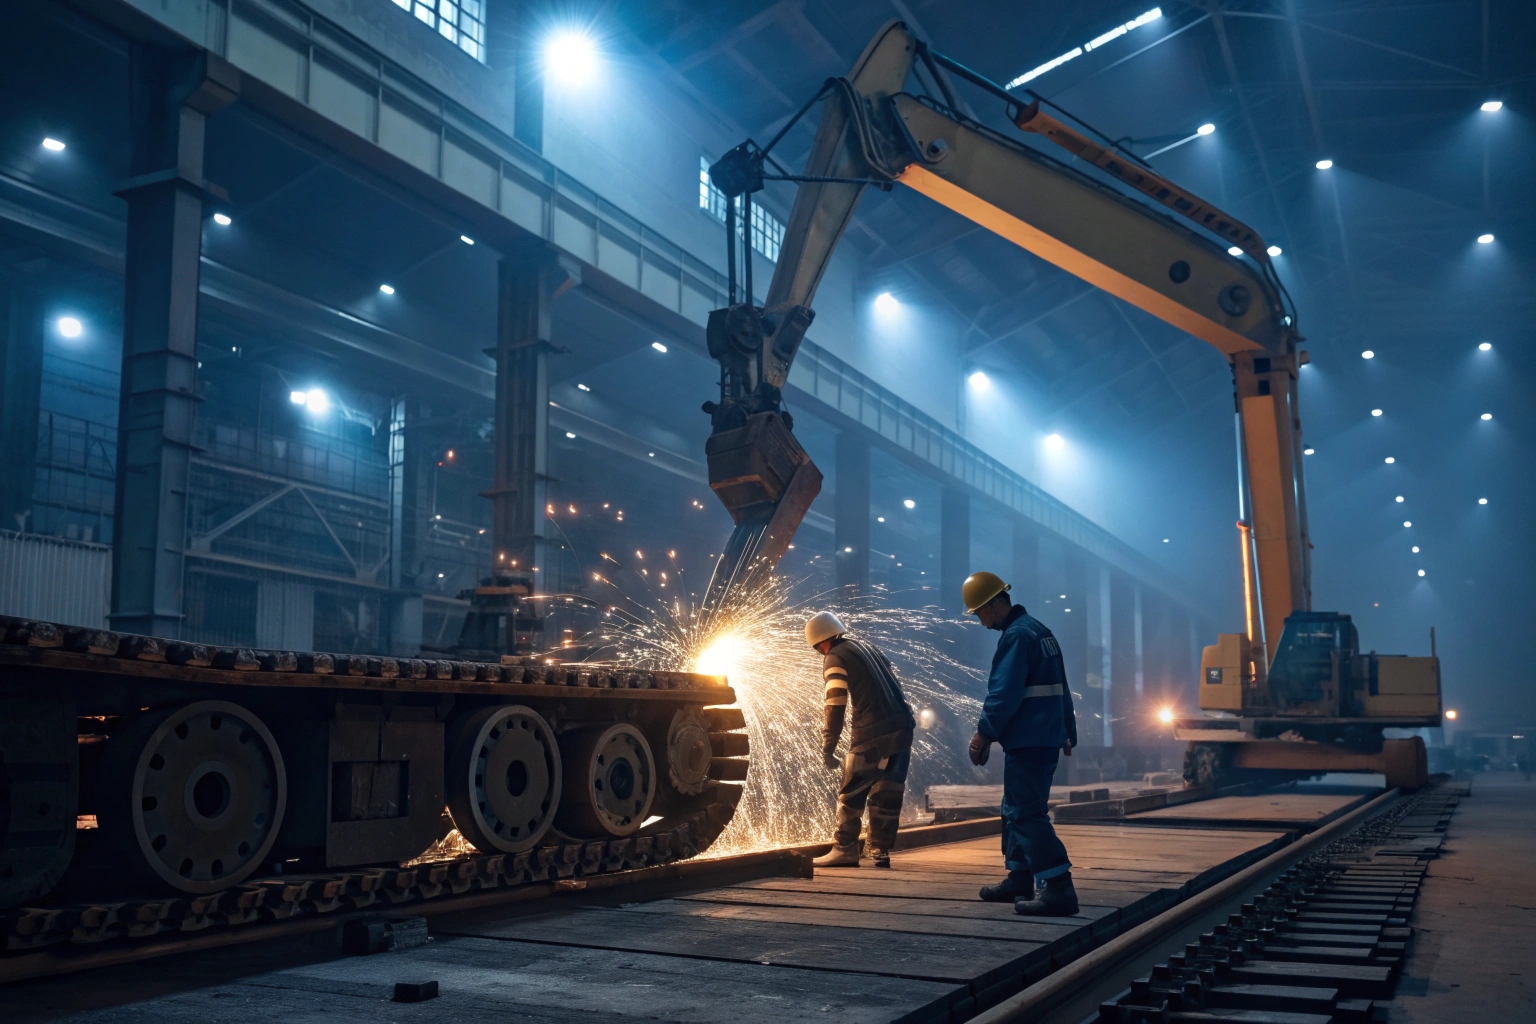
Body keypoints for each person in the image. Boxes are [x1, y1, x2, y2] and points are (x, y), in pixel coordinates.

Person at [962, 571, 1081, 916]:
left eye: (981, 613)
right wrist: (1068, 730)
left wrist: (982, 734)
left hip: (1030, 738)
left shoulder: (1016, 637)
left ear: (996, 604)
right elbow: (1061, 686)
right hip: (1042, 736)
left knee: (1026, 812)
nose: (982, 622)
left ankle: (1058, 887)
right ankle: (1019, 876)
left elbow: (1004, 693)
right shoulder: (1041, 632)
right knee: (1013, 807)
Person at [805, 610, 916, 869]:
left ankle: (844, 848)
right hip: (902, 729)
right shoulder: (866, 647)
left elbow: (835, 704)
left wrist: (828, 746)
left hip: (872, 734)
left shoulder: (835, 656)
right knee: (886, 792)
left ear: (820, 643)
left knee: (851, 792)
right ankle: (880, 850)